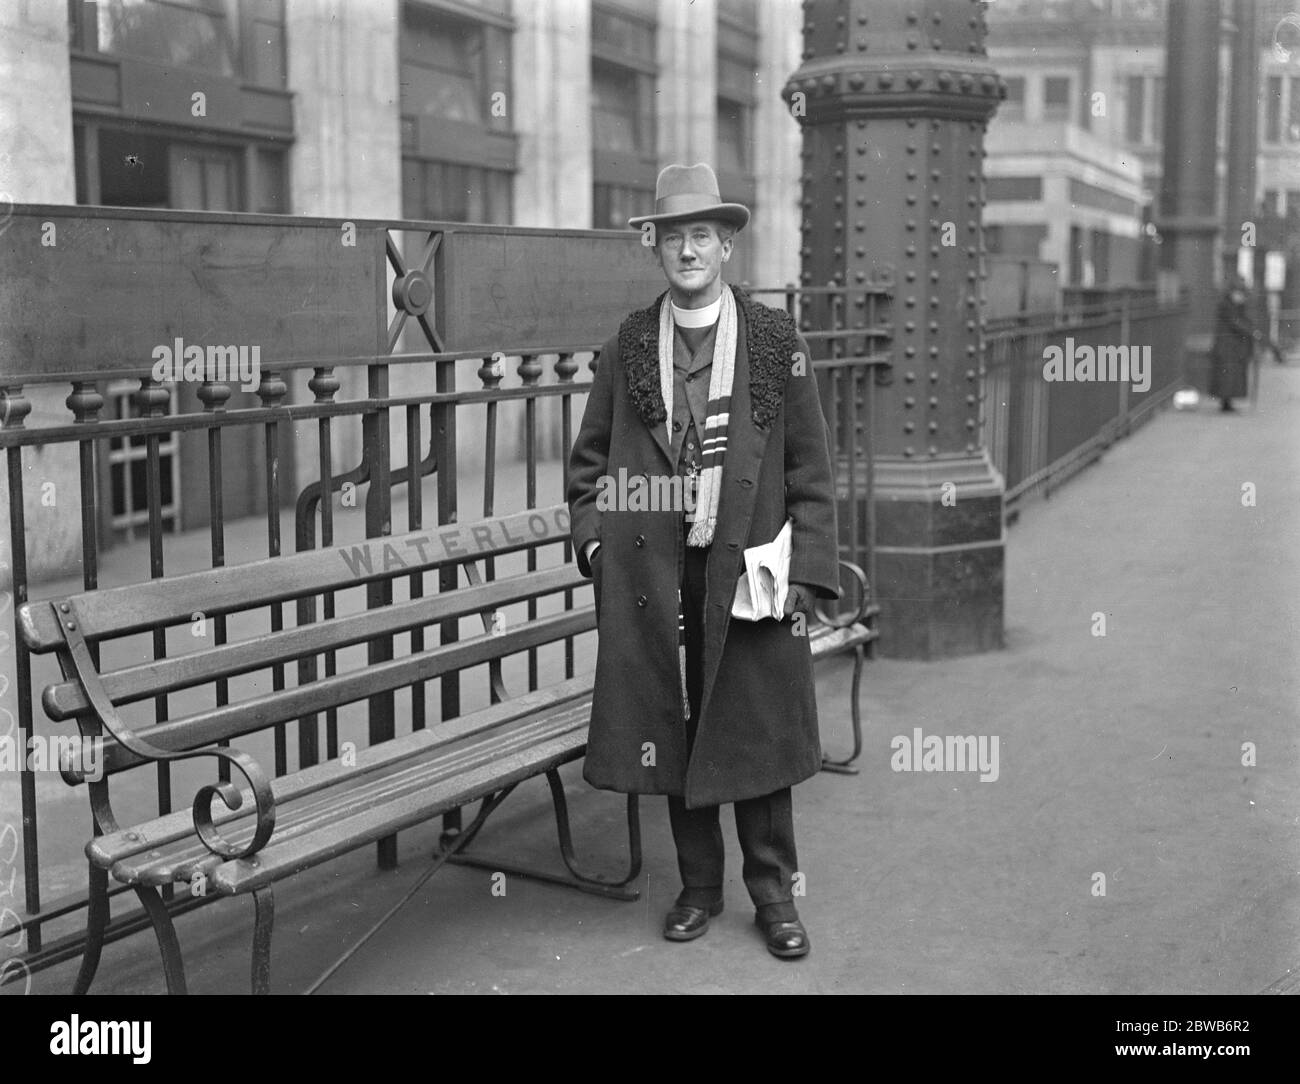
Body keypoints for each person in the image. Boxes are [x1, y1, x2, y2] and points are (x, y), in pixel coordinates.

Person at [567, 164, 841, 960]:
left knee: (753, 731)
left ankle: (774, 898)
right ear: (657, 248)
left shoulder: (773, 343)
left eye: (701, 236)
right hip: (657, 576)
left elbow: (809, 472)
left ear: (726, 245)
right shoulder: (627, 345)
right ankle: (696, 886)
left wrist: (805, 572)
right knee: (674, 726)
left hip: (749, 571)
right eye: (672, 236)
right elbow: (588, 470)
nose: (687, 250)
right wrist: (593, 541)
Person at [1210, 276, 1263, 412]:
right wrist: (1251, 331)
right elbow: (1235, 322)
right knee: (1227, 375)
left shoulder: (1235, 305)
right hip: (1227, 346)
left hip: (1233, 346)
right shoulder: (1227, 305)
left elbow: (1242, 320)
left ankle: (1227, 402)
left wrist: (1251, 329)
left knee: (1231, 375)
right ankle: (1225, 402)